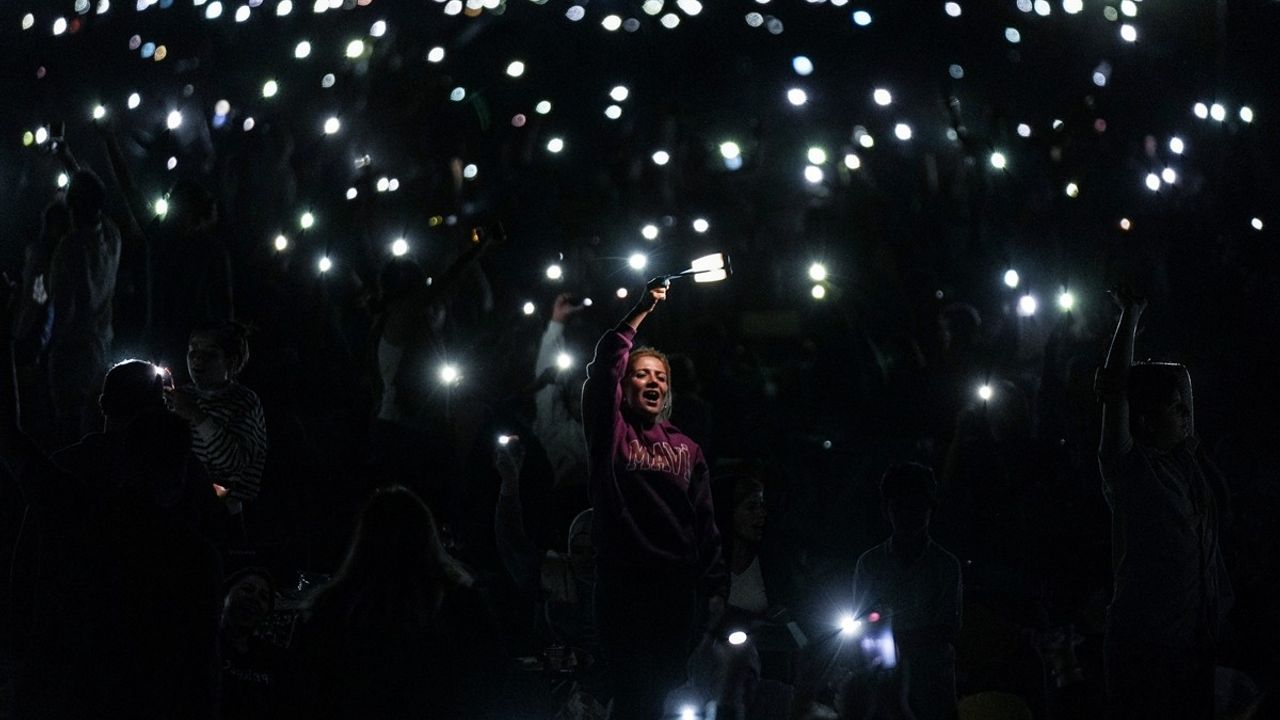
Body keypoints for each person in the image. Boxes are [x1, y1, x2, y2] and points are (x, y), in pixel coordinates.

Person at [1, 283, 222, 719]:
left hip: (67, 674)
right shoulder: (189, 484)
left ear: (103, 405)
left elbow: (24, 569)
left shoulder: (70, 475)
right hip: (153, 688)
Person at [582, 277, 726, 719]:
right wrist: (641, 309)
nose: (652, 382)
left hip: (675, 591)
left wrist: (715, 587)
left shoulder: (687, 448)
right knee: (630, 698)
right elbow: (606, 361)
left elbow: (704, 521)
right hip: (625, 585)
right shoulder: (612, 435)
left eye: (660, 377)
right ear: (624, 387)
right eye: (641, 374)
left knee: (665, 696)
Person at [1093, 288, 1230, 720]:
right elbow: (1116, 394)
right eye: (1175, 409)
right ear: (1148, 418)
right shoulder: (1131, 469)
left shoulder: (1186, 462)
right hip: (1144, 649)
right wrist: (1129, 319)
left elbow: (1181, 381)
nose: (1186, 414)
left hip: (1193, 644)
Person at [288, 485, 505, 717]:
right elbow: (491, 680)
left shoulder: (331, 610)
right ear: (427, 536)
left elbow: (303, 691)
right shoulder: (458, 606)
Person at [852, 463, 962, 720]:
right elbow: (862, 622)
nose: (908, 515)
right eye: (899, 507)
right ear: (886, 510)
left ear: (930, 509)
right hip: (886, 681)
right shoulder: (870, 563)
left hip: (931, 685)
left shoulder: (946, 565)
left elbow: (948, 628)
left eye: (917, 507)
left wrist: (889, 640)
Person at [46, 168, 122, 443]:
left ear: (71, 206)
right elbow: (93, 195)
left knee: (68, 429)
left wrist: (48, 348)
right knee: (93, 424)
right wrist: (68, 160)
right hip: (101, 346)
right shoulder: (113, 236)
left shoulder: (69, 247)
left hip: (72, 349)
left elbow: (64, 307)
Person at [169, 321, 268, 517]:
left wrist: (196, 415)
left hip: (226, 510)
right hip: (184, 503)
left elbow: (232, 462)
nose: (198, 357)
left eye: (210, 353)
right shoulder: (182, 395)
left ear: (231, 362)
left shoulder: (243, 402)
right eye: (193, 349)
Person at [219, 567, 284, 720]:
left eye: (263, 597)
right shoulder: (199, 644)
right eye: (247, 589)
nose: (254, 598)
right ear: (225, 594)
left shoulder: (272, 658)